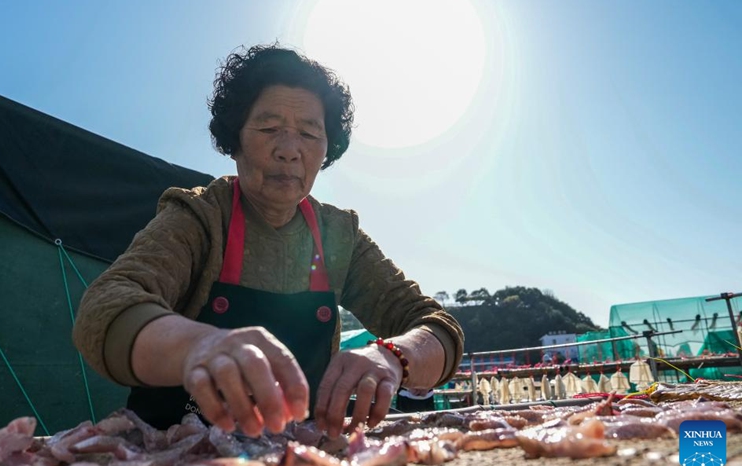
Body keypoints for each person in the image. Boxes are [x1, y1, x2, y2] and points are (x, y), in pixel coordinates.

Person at [72, 43, 464, 439]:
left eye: (310, 133)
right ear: (235, 139)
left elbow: (437, 327)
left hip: (296, 456)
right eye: (269, 128)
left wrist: (394, 356)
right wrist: (198, 345)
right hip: (175, 452)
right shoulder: (200, 218)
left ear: (328, 148)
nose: (290, 151)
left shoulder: (339, 236)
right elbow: (106, 308)